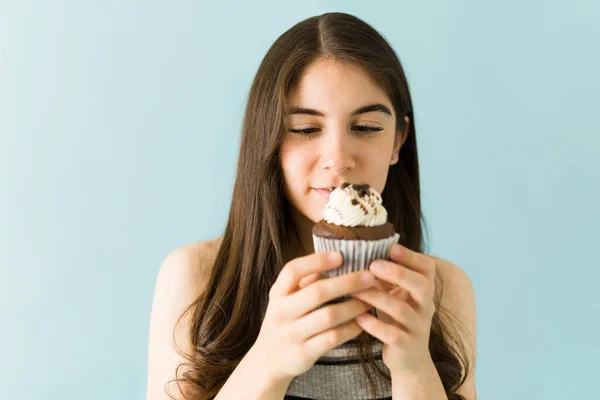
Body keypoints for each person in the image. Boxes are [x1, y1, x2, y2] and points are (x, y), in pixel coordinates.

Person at [146, 12, 477, 400]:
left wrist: (413, 366)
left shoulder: (441, 289)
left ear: (398, 142)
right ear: (267, 139)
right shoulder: (198, 278)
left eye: (367, 127)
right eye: (305, 129)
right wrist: (269, 362)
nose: (337, 158)